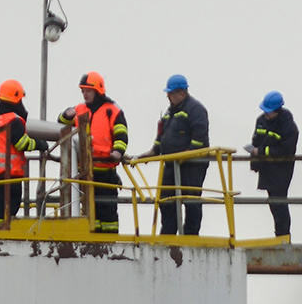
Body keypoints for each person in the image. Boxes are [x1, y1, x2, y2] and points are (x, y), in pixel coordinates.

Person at [137, 74, 210, 235]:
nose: (167, 97)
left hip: (192, 165)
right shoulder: (171, 111)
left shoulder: (195, 109)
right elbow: (161, 135)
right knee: (166, 200)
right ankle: (168, 234)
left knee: (191, 199)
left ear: (181, 93)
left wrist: (187, 154)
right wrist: (151, 152)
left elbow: (200, 137)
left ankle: (191, 236)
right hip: (171, 163)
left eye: (170, 93)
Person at [58, 72, 128, 233]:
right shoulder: (78, 109)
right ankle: (94, 238)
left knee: (107, 208)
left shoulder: (112, 110)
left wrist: (118, 151)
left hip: (106, 170)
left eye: (88, 90)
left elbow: (121, 134)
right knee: (90, 209)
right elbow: (59, 125)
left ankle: (109, 241)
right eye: (82, 90)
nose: (85, 94)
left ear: (98, 90)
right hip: (85, 171)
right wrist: (65, 115)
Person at [0, 79, 44, 226]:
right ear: (17, 99)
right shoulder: (14, 120)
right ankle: (4, 231)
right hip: (8, 173)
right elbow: (21, 143)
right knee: (10, 206)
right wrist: (40, 144)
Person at [249, 90, 298, 239]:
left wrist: (262, 151)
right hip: (267, 169)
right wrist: (254, 160)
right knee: (274, 203)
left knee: (279, 204)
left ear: (278, 110)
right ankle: (280, 237)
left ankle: (283, 237)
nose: (266, 114)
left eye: (269, 111)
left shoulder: (287, 124)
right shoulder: (261, 121)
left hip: (281, 170)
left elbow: (287, 149)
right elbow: (256, 140)